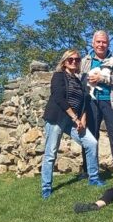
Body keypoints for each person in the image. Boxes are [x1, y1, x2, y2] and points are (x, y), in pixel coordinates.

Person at [41, 50, 104, 199]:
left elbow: (83, 101)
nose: (74, 62)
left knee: (91, 142)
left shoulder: (79, 79)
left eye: (77, 59)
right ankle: (46, 188)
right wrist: (75, 118)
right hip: (57, 118)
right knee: (51, 153)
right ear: (64, 61)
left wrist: (82, 119)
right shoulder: (58, 76)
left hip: (73, 120)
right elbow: (59, 98)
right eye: (70, 59)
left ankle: (93, 178)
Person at [81, 30, 113, 170]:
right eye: (98, 42)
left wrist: (102, 79)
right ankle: (89, 169)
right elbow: (80, 81)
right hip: (91, 102)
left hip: (111, 101)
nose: (101, 45)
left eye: (104, 42)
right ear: (93, 43)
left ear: (108, 43)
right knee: (90, 136)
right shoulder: (85, 61)